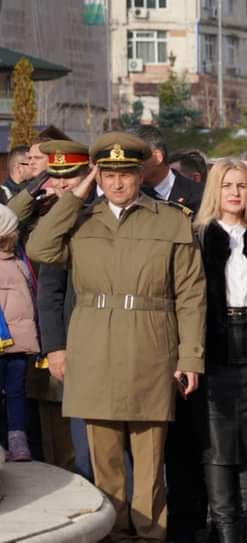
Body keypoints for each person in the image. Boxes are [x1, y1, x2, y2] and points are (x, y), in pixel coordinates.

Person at [27, 131, 206, 543]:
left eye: (125, 173)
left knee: (149, 463)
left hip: (151, 348)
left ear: (141, 174)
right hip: (94, 350)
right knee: (103, 463)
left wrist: (191, 358)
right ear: (98, 176)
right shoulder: (79, 220)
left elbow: (192, 295)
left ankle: (149, 534)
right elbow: (39, 247)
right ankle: (115, 534)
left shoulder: (171, 220)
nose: (117, 183)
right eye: (107, 174)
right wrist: (77, 193)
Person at [128, 124, 206, 543]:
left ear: (155, 156)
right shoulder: (126, 202)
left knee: (185, 442)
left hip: (189, 336)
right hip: (143, 337)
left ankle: (188, 521)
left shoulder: (197, 199)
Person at [192, 160, 247, 543]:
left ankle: (240, 525)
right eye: (227, 185)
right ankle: (226, 531)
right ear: (215, 189)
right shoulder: (199, 236)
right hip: (214, 351)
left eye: (242, 185)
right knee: (218, 445)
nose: (235, 193)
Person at [21, 140, 95, 479]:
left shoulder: (100, 210)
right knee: (81, 448)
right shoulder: (53, 219)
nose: (64, 184)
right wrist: (56, 347)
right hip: (76, 341)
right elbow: (50, 292)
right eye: (57, 176)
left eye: (72, 175)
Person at [0, 203, 38, 461]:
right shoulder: (20, 260)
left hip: (10, 339)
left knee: (10, 391)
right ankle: (17, 440)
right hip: (19, 341)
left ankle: (10, 441)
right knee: (15, 391)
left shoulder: (18, 259)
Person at [130, 125, 204, 208]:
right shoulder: (128, 196)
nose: (129, 165)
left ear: (157, 158)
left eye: (136, 157)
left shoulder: (200, 195)